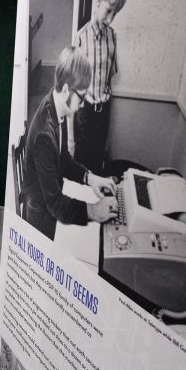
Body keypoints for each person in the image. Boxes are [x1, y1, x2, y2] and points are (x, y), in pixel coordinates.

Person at [20, 46, 117, 240]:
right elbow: (55, 205)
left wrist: (91, 179)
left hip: (52, 199)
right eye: (81, 97)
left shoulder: (57, 107)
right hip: (41, 217)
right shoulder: (44, 134)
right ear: (66, 90)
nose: (83, 104)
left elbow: (63, 160)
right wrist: (93, 211)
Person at [72, 0, 128, 173]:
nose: (110, 19)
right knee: (81, 164)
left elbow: (109, 78)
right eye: (108, 10)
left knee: (97, 164)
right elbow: (73, 87)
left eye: (116, 13)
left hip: (103, 113)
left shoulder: (113, 37)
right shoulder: (80, 38)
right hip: (84, 112)